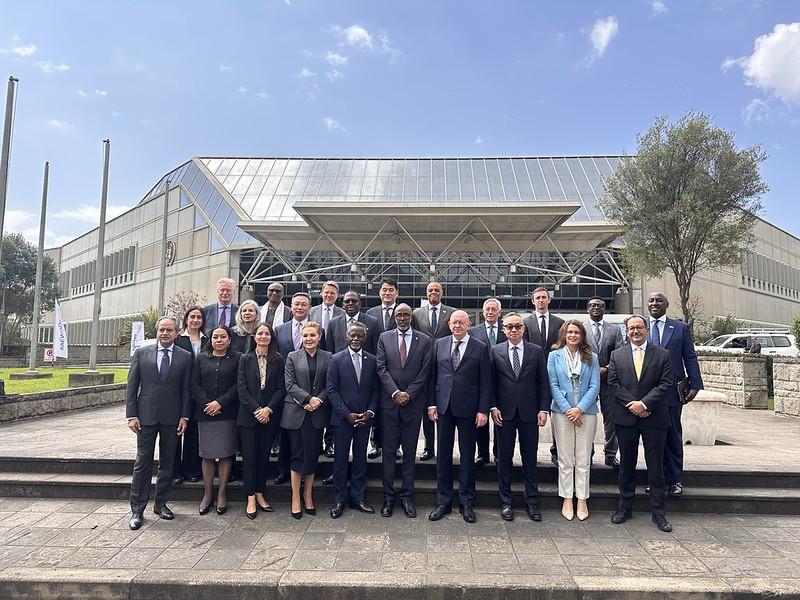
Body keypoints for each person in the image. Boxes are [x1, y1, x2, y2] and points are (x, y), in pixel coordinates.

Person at [608, 315, 674, 532]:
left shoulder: (662, 354)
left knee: (656, 466)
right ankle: (624, 507)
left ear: (646, 329)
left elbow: (666, 383)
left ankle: (658, 512)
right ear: (626, 331)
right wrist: (633, 405)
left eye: (639, 327)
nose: (635, 331)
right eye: (631, 328)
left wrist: (645, 404)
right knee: (626, 464)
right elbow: (614, 384)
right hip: (626, 417)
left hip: (654, 417)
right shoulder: (617, 355)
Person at [126, 316, 192, 530]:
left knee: (168, 462)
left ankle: (161, 504)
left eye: (169, 330)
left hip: (173, 418)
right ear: (157, 332)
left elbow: (186, 389)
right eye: (161, 330)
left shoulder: (185, 357)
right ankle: (137, 509)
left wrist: (185, 416)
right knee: (142, 462)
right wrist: (131, 415)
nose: (165, 333)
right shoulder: (141, 353)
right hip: (145, 417)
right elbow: (132, 385)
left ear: (177, 332)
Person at [428, 310, 491, 524]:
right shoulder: (439, 344)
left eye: (461, 322)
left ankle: (466, 503)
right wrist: (431, 404)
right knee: (443, 456)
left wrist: (483, 410)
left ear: (468, 324)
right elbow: (433, 376)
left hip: (469, 410)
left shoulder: (480, 347)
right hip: (444, 407)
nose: (457, 326)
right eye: (454, 322)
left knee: (467, 457)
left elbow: (485, 382)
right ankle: (443, 502)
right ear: (449, 324)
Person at [489, 312, 549, 522]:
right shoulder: (495, 351)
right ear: (503, 330)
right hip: (503, 413)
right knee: (504, 459)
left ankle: (531, 502)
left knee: (529, 458)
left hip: (529, 412)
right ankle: (506, 501)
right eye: (509, 327)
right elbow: (491, 382)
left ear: (524, 329)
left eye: (517, 326)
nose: (513, 330)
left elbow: (543, 382)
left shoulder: (536, 351)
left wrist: (543, 409)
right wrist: (493, 407)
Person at [375, 303, 432, 518]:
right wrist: (395, 392)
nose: (402, 318)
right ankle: (388, 497)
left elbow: (425, 370)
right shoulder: (384, 338)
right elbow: (381, 367)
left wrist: (409, 393)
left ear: (411, 317)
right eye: (398, 315)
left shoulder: (424, 340)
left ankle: (408, 496)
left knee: (409, 452)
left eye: (406, 315)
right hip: (389, 404)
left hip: (412, 405)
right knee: (389, 452)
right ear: (394, 317)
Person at [647, 292, 703, 496]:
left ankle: (675, 479)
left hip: (671, 392)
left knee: (672, 435)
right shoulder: (640, 327)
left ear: (667, 304)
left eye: (659, 300)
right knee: (652, 439)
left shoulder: (680, 328)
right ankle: (656, 480)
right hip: (646, 392)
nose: (655, 303)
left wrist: (695, 384)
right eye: (651, 300)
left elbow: (690, 356)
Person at [547, 320, 600, 521]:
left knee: (583, 459)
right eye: (569, 332)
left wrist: (579, 409)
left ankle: (582, 499)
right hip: (562, 412)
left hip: (586, 412)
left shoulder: (591, 356)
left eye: (576, 332)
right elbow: (553, 385)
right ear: (564, 334)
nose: (572, 335)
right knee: (566, 459)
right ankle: (567, 498)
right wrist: (568, 409)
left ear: (582, 335)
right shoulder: (554, 356)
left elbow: (594, 386)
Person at [326, 322, 380, 519]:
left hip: (364, 419)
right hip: (343, 420)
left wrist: (369, 412)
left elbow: (376, 390)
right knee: (340, 459)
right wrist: (347, 414)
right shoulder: (335, 359)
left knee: (360, 459)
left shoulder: (372, 360)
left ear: (365, 338)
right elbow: (331, 390)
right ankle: (339, 500)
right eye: (353, 336)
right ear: (346, 337)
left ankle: (358, 497)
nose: (356, 339)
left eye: (360, 336)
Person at [283, 321, 332, 519]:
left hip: (317, 413)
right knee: (297, 455)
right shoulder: (292, 356)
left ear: (319, 337)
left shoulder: (328, 357)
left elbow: (330, 383)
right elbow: (289, 384)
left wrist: (317, 400)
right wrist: (307, 400)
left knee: (312, 455)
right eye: (305, 335)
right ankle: (295, 497)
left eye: (312, 335)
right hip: (296, 412)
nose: (309, 339)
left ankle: (308, 495)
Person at [274, 291, 324, 484]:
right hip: (285, 388)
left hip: (312, 391)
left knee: (306, 442)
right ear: (291, 306)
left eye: (304, 304)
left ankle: (303, 473)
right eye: (296, 304)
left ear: (309, 308)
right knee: (286, 436)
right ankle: (283, 471)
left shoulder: (317, 330)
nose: (300, 307)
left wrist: (314, 399)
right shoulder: (280, 329)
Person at [237, 323, 286, 519]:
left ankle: (260, 493)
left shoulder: (278, 359)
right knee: (250, 458)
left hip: (269, 417)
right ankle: (250, 497)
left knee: (263, 457)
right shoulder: (245, 358)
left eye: (267, 334)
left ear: (271, 338)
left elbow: (281, 388)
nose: (263, 336)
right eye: (260, 333)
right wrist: (257, 410)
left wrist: (268, 410)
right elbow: (241, 388)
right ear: (254, 337)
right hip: (249, 417)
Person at [191, 325, 240, 515]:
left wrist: (220, 403)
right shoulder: (201, 358)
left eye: (222, 337)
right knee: (208, 454)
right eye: (215, 337)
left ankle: (222, 494)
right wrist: (207, 404)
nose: (218, 340)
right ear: (210, 340)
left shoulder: (238, 358)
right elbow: (194, 384)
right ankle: (207, 493)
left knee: (226, 454)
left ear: (229, 340)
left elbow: (238, 385)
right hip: (205, 413)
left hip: (227, 413)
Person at [412, 281, 456, 462]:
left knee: (445, 407)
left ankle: (444, 449)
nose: (433, 292)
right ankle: (429, 447)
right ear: (426, 292)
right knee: (427, 408)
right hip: (424, 365)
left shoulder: (451, 312)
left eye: (437, 290)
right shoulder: (416, 313)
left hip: (446, 365)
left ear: (442, 292)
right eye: (430, 290)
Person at [523, 287, 565, 465]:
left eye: (543, 297)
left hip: (556, 374)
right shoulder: (525, 322)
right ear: (533, 301)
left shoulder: (560, 322)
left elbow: (562, 346)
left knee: (557, 413)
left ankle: (556, 451)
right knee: (532, 415)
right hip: (533, 376)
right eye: (537, 298)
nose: (541, 300)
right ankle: (530, 452)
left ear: (549, 300)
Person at [584, 297, 624, 469]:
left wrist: (607, 368)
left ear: (604, 309)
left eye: (599, 305)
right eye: (592, 305)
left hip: (609, 380)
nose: (596, 308)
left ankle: (610, 454)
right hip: (586, 380)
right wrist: (592, 370)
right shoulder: (581, 329)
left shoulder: (614, 330)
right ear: (587, 309)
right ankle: (588, 453)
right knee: (587, 418)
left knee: (611, 419)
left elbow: (620, 353)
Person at [365, 277, 401, 460]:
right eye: (384, 289)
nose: (387, 293)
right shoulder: (370, 314)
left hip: (397, 369)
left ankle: (396, 446)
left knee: (396, 410)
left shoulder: (404, 312)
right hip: (375, 368)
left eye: (391, 290)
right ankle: (375, 444)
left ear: (397, 293)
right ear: (379, 292)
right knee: (376, 406)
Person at [172, 306, 206, 485]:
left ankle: (192, 470)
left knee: (194, 433)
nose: (195, 320)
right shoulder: (177, 339)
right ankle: (175, 471)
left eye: (199, 317)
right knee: (176, 432)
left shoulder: (208, 340)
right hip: (179, 392)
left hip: (199, 393)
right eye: (192, 317)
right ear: (186, 319)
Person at [470, 297, 507, 466]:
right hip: (480, 380)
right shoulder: (474, 331)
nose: (490, 312)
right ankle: (482, 453)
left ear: (500, 312)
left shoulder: (507, 330)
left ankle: (499, 453)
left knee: (501, 420)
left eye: (494, 309)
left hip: (503, 380)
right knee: (481, 418)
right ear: (483, 312)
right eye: (487, 309)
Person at [309, 280, 344, 458]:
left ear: (337, 296)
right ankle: (315, 443)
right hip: (314, 362)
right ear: (321, 293)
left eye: (333, 293)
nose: (329, 295)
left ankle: (330, 442)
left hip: (335, 362)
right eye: (327, 292)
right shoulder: (311, 312)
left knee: (331, 404)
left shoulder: (342, 314)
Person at [326, 290, 379, 355]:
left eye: (354, 301)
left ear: (360, 303)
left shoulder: (372, 322)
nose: (350, 303)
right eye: (347, 301)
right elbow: (329, 349)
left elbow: (376, 349)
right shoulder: (333, 323)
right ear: (343, 305)